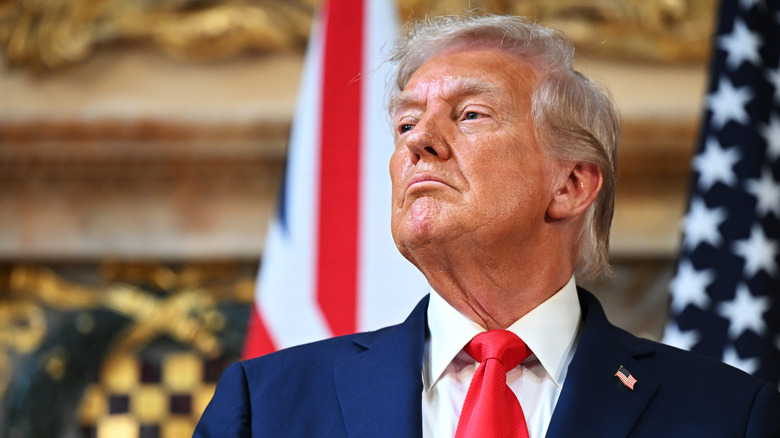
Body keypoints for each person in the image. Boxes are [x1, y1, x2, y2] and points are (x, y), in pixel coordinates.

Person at [193, 14, 780, 437]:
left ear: (571, 185)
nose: (419, 142)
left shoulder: (727, 414)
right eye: (405, 125)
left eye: (471, 114)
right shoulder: (264, 406)